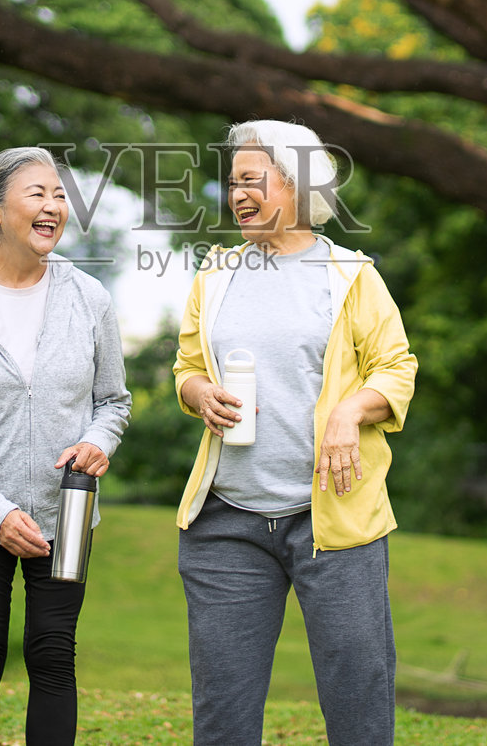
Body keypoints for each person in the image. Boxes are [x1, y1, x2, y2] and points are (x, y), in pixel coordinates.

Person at [173, 119, 417, 746]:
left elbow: (396, 366)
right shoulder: (215, 274)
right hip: (227, 520)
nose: (238, 195)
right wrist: (201, 395)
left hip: (333, 518)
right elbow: (188, 369)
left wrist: (348, 412)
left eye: (252, 181)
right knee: (223, 711)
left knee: (358, 695)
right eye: (233, 184)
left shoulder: (351, 274)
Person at [0, 146, 131, 746]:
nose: (53, 206)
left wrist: (96, 442)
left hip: (69, 508)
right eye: (37, 193)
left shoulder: (89, 298)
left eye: (60, 195)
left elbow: (113, 401)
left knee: (53, 655)